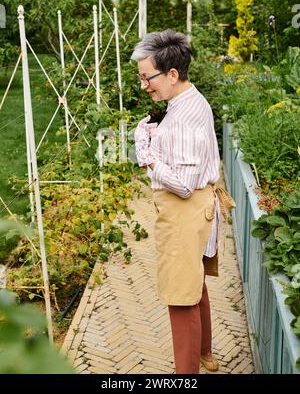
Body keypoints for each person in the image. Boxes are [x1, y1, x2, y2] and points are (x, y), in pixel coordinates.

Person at [132, 29, 234, 375]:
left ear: (172, 75)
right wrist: (156, 133)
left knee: (180, 295)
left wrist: (146, 156)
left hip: (185, 211)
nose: (144, 84)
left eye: (148, 77)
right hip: (191, 211)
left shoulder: (186, 117)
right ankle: (205, 355)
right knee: (193, 284)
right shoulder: (185, 101)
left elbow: (185, 184)